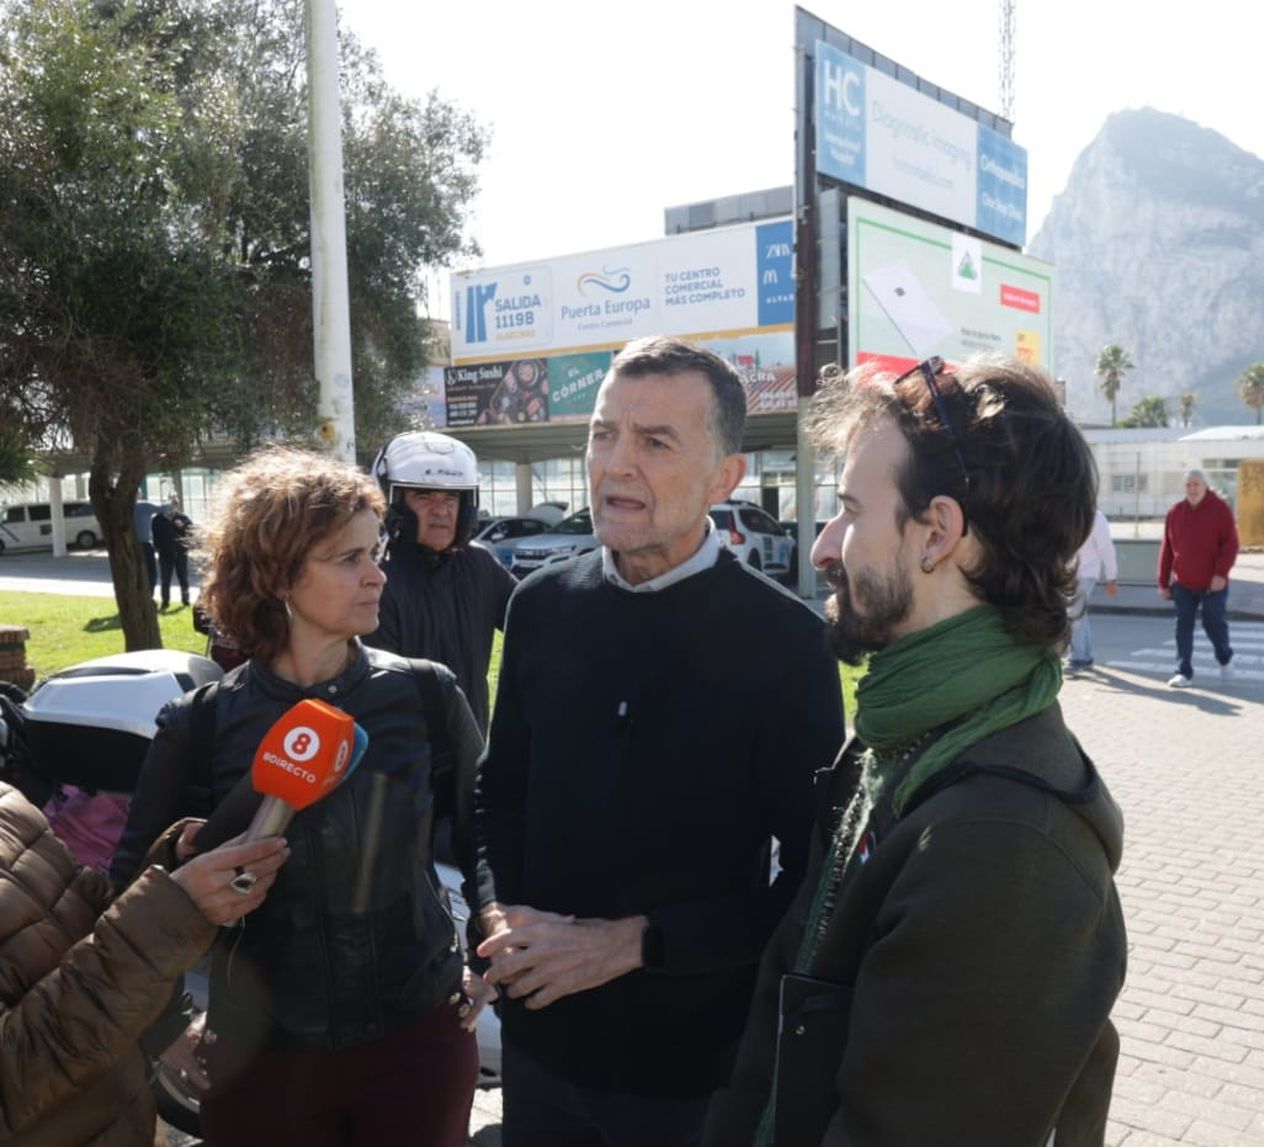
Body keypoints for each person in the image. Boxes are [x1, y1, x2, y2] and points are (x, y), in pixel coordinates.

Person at [701, 355, 1126, 1147]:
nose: (824, 546)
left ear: (937, 534)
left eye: (850, 511)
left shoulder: (1003, 846)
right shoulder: (900, 742)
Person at [474, 335, 845, 1146]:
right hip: (540, 1051)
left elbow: (817, 883)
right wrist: (495, 908)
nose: (615, 465)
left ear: (724, 478)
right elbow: (497, 798)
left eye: (655, 441)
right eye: (604, 433)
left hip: (690, 1078)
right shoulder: (538, 607)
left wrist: (637, 943)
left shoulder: (787, 645)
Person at [110, 448, 491, 1147]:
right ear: (280, 573)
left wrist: (487, 945)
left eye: (374, 552)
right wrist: (161, 1026)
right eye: (349, 558)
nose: (378, 573)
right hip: (261, 1061)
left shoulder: (426, 694)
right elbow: (132, 889)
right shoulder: (200, 724)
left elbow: (488, 834)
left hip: (417, 1042)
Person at [0, 780, 287, 1147]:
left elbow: (87, 920)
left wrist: (173, 866)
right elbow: (13, 1077)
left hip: (127, 1114)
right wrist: (171, 909)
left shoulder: (7, 802)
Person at [368, 431, 516, 734]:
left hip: (470, 754)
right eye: (423, 496)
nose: (441, 509)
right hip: (400, 761)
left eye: (451, 497)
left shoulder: (480, 564)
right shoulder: (374, 576)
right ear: (393, 502)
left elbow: (537, 618)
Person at [1158, 469, 1239, 688]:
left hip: (1213, 583)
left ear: (1205, 486)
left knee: (1213, 623)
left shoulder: (1220, 509)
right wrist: (1163, 581)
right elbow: (1167, 548)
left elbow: (1231, 544)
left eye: (1196, 484)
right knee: (1183, 625)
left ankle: (1225, 657)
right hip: (1184, 582)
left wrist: (1221, 574)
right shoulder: (1175, 512)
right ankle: (1183, 671)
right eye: (1189, 485)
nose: (1192, 489)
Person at [1066, 506, 1118, 672]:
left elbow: (1106, 549)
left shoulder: (1095, 518)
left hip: (1086, 574)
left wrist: (1112, 577)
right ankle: (1086, 656)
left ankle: (1077, 658)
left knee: (1074, 614)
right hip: (1068, 575)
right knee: (1080, 614)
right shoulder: (1067, 514)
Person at [151, 494, 194, 609]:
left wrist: (183, 527)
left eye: (174, 504)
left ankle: (185, 599)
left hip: (181, 552)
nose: (172, 506)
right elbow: (154, 536)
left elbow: (192, 531)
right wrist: (158, 547)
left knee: (183, 577)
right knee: (165, 579)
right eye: (169, 504)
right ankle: (165, 601)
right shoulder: (158, 519)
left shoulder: (183, 518)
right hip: (165, 553)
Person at [133, 495, 160, 594]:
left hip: (132, 544)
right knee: (151, 571)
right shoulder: (143, 506)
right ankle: (150, 592)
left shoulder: (124, 508)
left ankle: (139, 593)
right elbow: (162, 508)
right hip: (145, 543)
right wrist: (172, 501)